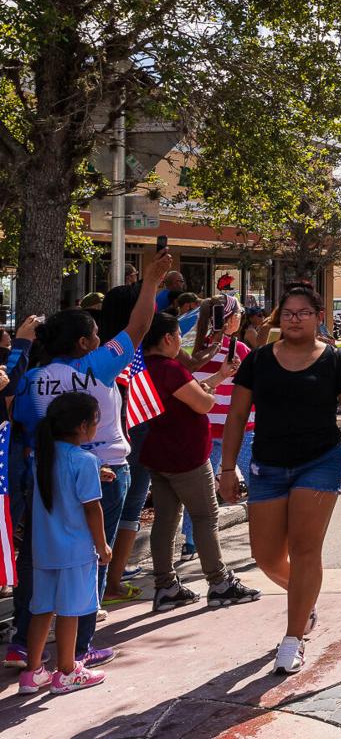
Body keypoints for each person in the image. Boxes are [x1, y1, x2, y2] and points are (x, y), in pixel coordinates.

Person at [7, 252, 169, 671]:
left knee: (37, 560)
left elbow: (23, 425)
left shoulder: (30, 379)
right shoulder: (97, 365)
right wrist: (150, 282)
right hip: (103, 474)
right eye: (96, 333)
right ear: (83, 344)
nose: (100, 338)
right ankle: (79, 650)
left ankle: (24, 642)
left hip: (43, 478)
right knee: (96, 557)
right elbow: (139, 327)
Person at [219, 285, 341, 676]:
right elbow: (236, 416)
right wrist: (227, 469)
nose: (295, 318)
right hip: (268, 465)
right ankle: (305, 597)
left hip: (320, 461)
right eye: (289, 312)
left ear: (319, 315)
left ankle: (293, 638)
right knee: (265, 556)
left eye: (303, 312)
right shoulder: (259, 360)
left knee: (305, 548)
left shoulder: (335, 362)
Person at [139, 312, 258, 611]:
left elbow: (192, 396)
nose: (181, 342)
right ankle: (219, 582)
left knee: (165, 521)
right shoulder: (170, 369)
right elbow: (203, 403)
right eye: (179, 335)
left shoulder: (144, 369)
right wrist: (210, 389)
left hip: (159, 451)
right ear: (167, 339)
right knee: (206, 517)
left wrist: (218, 378)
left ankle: (165, 585)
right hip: (187, 454)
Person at [20, 393, 111, 695]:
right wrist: (102, 545)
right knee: (70, 610)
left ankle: (32, 673)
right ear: (83, 426)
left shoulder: (42, 457)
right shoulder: (85, 460)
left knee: (42, 609)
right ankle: (67, 671)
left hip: (44, 549)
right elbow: (91, 508)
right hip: (75, 549)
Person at [180, 299, 253, 560]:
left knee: (199, 489)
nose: (241, 320)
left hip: (204, 428)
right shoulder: (240, 350)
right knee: (258, 482)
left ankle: (190, 542)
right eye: (239, 314)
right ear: (230, 318)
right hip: (241, 428)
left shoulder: (190, 350)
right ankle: (260, 536)